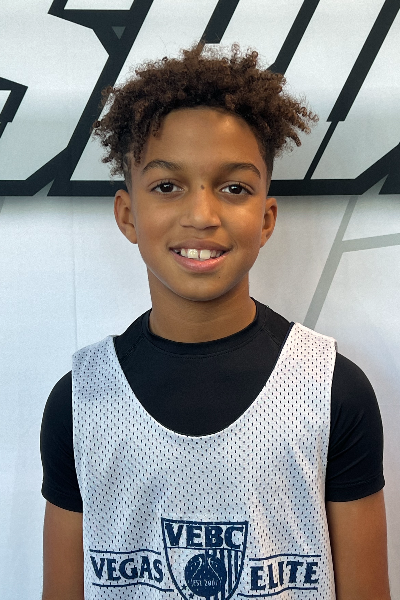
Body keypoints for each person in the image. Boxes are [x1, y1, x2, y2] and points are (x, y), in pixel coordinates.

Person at [40, 44, 391, 600]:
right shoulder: (79, 402)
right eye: (167, 186)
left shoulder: (332, 390)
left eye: (234, 188)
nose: (202, 215)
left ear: (266, 218)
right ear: (128, 214)